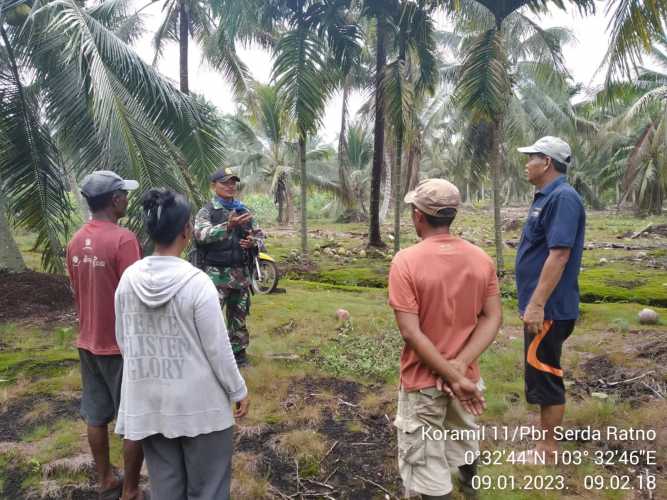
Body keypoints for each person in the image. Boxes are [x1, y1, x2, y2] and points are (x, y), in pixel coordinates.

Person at [114, 188, 249, 500]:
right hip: (202, 410)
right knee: (209, 490)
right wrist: (238, 390)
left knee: (166, 491)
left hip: (150, 406)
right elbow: (218, 348)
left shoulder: (128, 280)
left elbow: (125, 342)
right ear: (187, 231)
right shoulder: (197, 283)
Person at [388, 179, 503, 500]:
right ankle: (470, 492)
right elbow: (492, 317)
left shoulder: (406, 261)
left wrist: (451, 374)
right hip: (468, 379)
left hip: (422, 382)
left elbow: (411, 332)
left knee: (425, 469)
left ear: (418, 216)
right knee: (465, 441)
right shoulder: (480, 258)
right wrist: (461, 369)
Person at [66, 171, 145, 500]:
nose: (127, 199)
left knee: (95, 414)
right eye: (124, 194)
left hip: (87, 341)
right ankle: (129, 490)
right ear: (115, 200)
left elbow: (76, 289)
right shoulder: (123, 240)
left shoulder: (74, 242)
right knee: (134, 417)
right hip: (120, 345)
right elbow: (137, 293)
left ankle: (104, 480)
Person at [516, 136, 585, 462]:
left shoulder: (562, 198)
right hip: (546, 306)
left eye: (531, 158)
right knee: (541, 371)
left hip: (550, 308)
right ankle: (545, 444)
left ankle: (546, 450)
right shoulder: (548, 197)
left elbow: (559, 255)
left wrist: (537, 303)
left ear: (546, 162)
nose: (526, 163)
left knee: (545, 373)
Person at [193, 167, 261, 366]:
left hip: (240, 274)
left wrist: (253, 242)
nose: (230, 187)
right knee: (209, 318)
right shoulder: (207, 211)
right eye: (225, 183)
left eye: (233, 183)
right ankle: (206, 357)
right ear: (214, 186)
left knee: (239, 317)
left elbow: (259, 235)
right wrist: (227, 226)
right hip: (215, 275)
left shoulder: (243, 210)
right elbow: (200, 235)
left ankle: (238, 355)